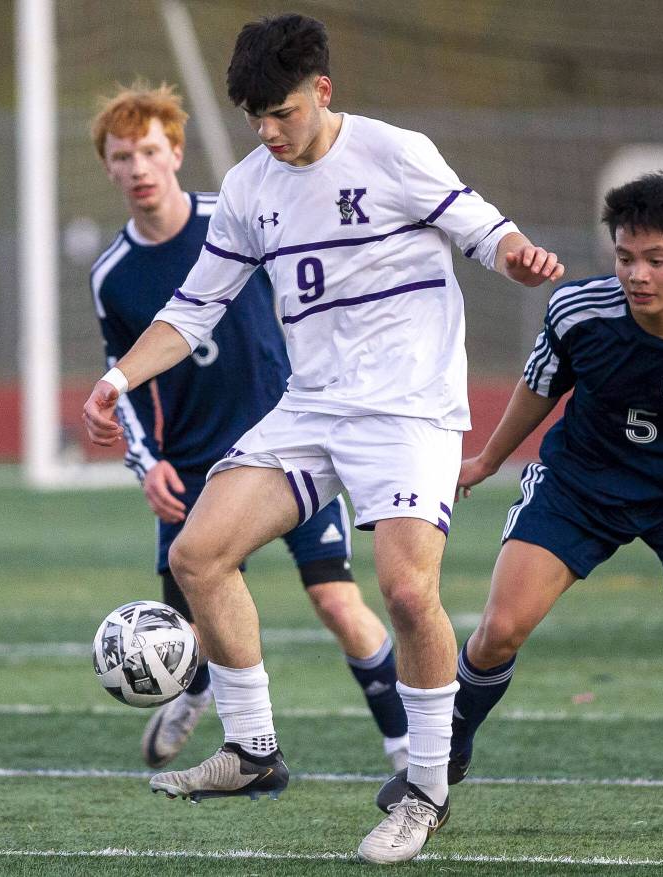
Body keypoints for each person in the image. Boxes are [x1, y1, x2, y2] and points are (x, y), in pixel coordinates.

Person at [81, 15, 563, 865]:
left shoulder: (393, 152)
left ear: (323, 93)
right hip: (311, 409)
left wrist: (519, 254)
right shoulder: (246, 186)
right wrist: (120, 380)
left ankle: (423, 789)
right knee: (198, 555)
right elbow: (194, 308)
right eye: (255, 119)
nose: (269, 132)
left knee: (406, 596)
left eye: (282, 114)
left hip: (409, 409)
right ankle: (253, 749)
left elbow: (486, 229)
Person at [377, 172, 663, 835]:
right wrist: (486, 458)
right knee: (499, 629)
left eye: (656, 259)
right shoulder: (576, 312)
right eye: (626, 257)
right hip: (578, 487)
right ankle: (444, 757)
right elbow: (539, 387)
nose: (638, 273)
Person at [88, 83, 410, 774]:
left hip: (289, 445)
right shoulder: (112, 276)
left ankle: (405, 743)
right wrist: (149, 467)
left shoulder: (235, 216)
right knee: (191, 623)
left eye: (150, 149)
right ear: (109, 167)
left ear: (175, 152)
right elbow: (126, 374)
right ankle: (195, 689)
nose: (138, 166)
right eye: (123, 156)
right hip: (195, 467)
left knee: (336, 600)